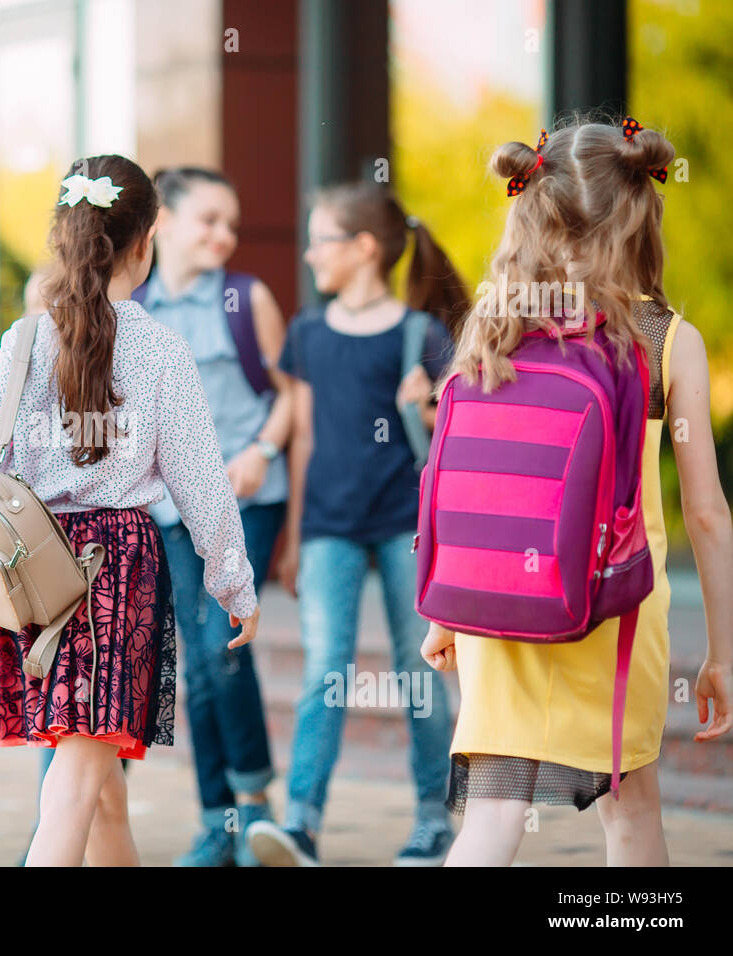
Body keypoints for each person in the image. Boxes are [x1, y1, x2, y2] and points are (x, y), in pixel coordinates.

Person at [0, 155, 260, 867]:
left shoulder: (23, 341)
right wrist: (235, 585)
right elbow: (203, 486)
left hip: (35, 572)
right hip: (115, 577)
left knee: (101, 792)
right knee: (75, 789)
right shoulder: (161, 349)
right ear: (146, 239)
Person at [419, 117, 733, 866]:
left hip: (495, 607)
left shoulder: (494, 330)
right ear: (639, 218)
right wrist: (722, 652)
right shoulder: (664, 339)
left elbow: (455, 477)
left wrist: (443, 611)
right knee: (631, 814)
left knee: (491, 819)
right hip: (613, 610)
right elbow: (707, 514)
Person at [247, 181, 468, 867]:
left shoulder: (420, 335)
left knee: (419, 671)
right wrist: (294, 538)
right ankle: (303, 824)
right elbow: (304, 436)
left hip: (408, 525)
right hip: (329, 531)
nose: (311, 254)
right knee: (325, 672)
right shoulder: (309, 333)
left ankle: (434, 820)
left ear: (364, 247)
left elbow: (454, 439)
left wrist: (426, 407)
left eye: (322, 241)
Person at [136, 167, 290, 866]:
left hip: (246, 499)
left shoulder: (245, 299)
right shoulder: (130, 306)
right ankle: (219, 822)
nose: (225, 236)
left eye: (232, 223)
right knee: (196, 663)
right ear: (162, 219)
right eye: (209, 221)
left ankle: (254, 803)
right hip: (169, 511)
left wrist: (261, 449)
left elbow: (291, 396)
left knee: (222, 649)